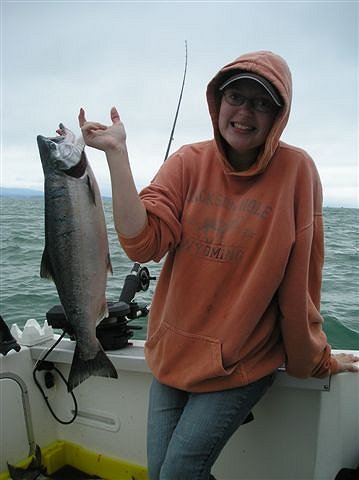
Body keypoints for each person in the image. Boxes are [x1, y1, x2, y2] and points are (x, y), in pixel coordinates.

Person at [79, 50, 359, 480]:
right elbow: (142, 243)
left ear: (279, 114)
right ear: (217, 103)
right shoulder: (188, 162)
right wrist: (117, 154)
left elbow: (303, 279)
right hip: (173, 355)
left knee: (178, 473)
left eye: (261, 102)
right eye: (236, 97)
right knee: (163, 474)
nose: (245, 113)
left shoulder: (297, 171)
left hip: (242, 361)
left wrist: (316, 357)